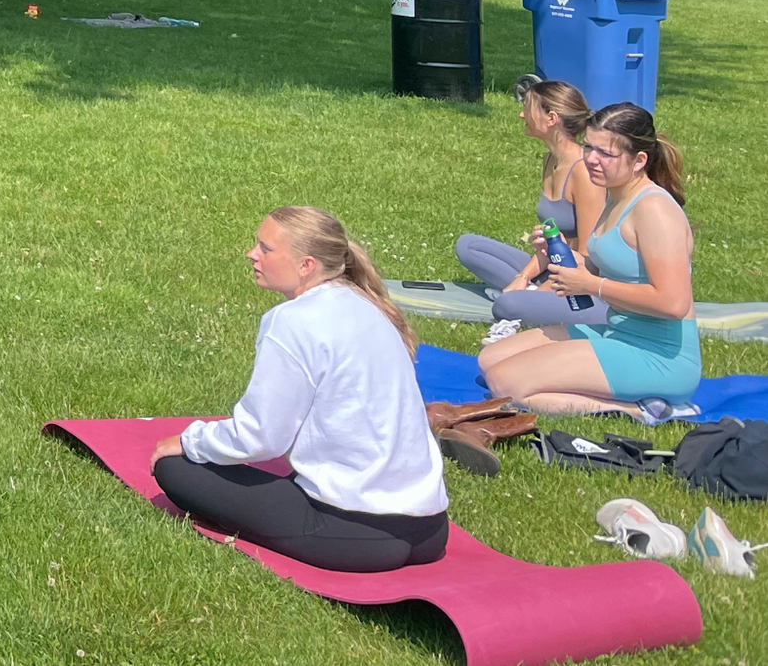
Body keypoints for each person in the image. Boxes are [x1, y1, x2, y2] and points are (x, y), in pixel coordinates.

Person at [151, 206, 449, 573]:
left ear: (306, 265)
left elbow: (261, 437)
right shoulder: (366, 304)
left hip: (356, 534)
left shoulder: (292, 321)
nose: (252, 254)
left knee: (175, 469)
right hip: (431, 529)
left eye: (265, 248)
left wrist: (188, 442)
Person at [477, 103, 699, 417]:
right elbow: (592, 271)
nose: (591, 159)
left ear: (639, 161)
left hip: (659, 355)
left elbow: (673, 303)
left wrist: (593, 285)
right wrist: (553, 254)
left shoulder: (655, 211)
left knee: (504, 383)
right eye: (588, 147)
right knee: (490, 360)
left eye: (605, 153)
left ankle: (641, 411)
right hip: (617, 332)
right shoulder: (615, 196)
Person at [455, 77, 608, 340]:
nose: (521, 114)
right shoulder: (551, 159)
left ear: (551, 118)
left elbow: (589, 259)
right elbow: (553, 243)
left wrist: (538, 290)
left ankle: (533, 298)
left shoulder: (583, 171)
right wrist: (523, 277)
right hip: (553, 263)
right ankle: (532, 293)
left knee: (507, 306)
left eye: (528, 108)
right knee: (468, 246)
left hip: (581, 280)